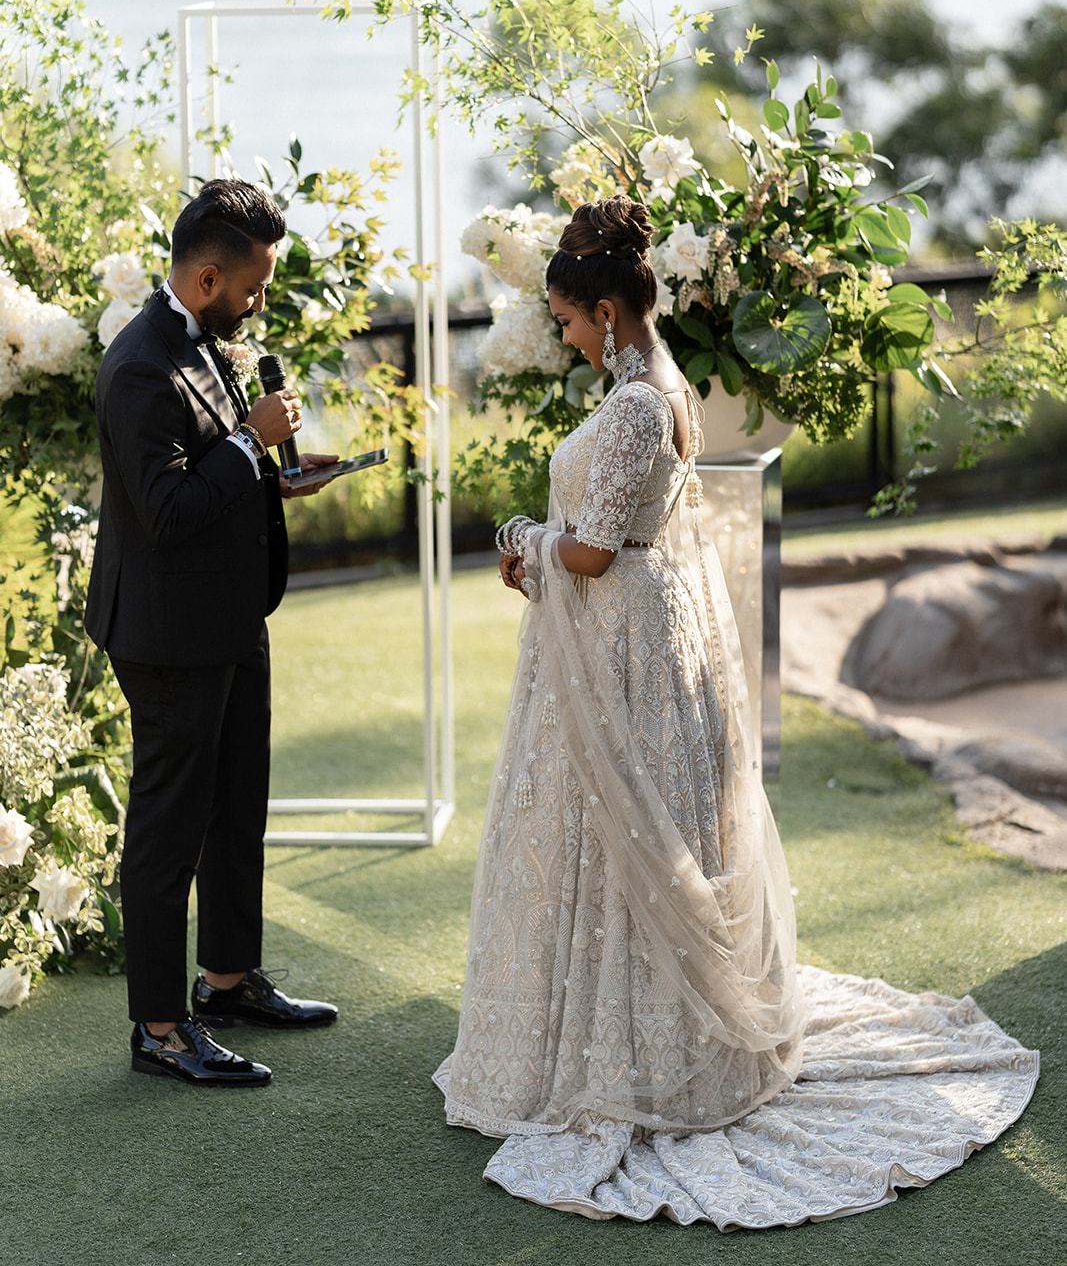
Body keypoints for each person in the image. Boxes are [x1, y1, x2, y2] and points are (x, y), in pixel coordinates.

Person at [434, 194, 1038, 1227]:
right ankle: (639, 1035)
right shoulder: (659, 381)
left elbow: (593, 551)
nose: (566, 338)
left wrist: (522, 538)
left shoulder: (637, 403)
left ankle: (640, 1058)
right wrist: (550, 548)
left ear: (608, 313)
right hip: (636, 630)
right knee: (632, 829)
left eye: (570, 320)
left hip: (627, 643)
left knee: (627, 829)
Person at [86, 178, 340, 1087]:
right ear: (205, 280)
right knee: (170, 828)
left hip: (229, 615)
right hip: (167, 635)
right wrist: (248, 443)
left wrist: (277, 474)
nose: (259, 300)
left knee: (237, 805)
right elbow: (165, 512)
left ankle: (227, 981)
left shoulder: (204, 340)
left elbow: (208, 475)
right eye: (253, 286)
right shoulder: (139, 364)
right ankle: (160, 1028)